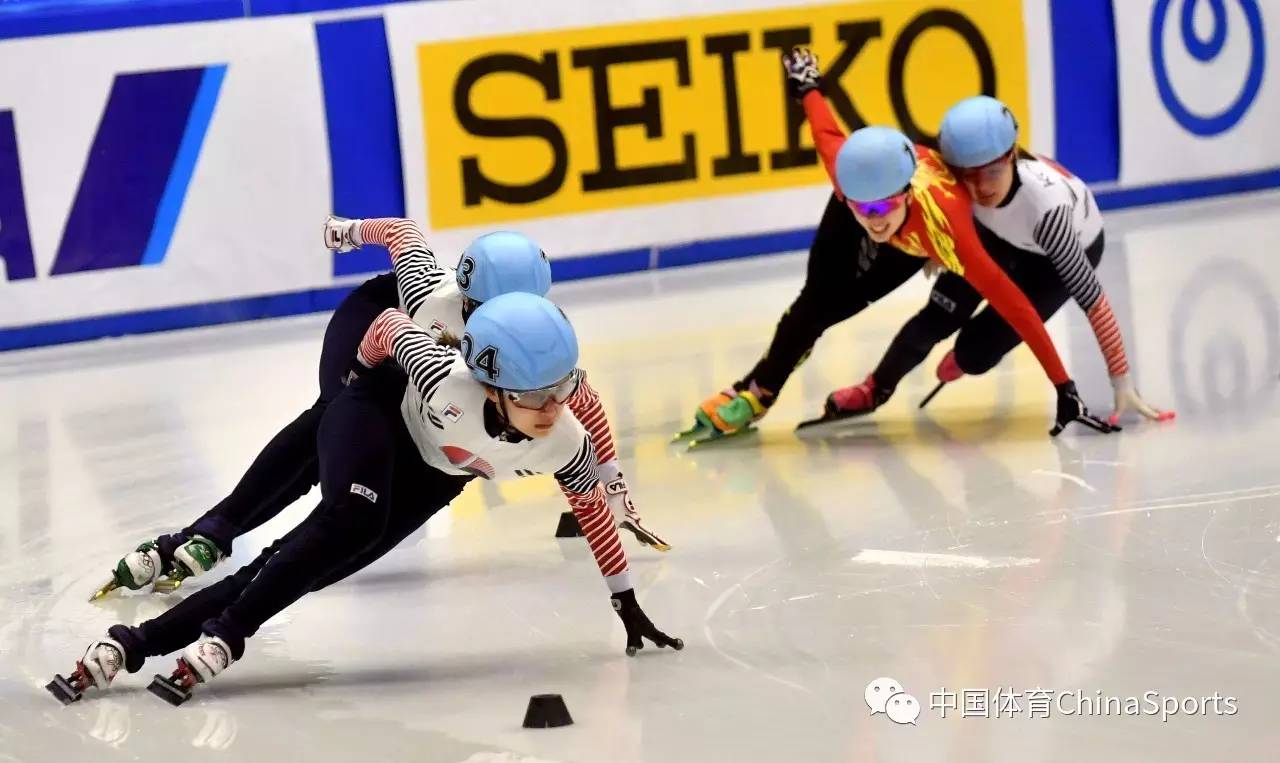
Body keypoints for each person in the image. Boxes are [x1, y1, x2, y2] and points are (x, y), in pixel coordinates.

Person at [49, 292, 682, 706]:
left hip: (435, 476)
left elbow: (594, 511)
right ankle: (231, 633)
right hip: (374, 413)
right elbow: (387, 327)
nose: (553, 407)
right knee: (352, 515)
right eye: (536, 395)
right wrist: (353, 382)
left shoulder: (563, 441)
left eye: (562, 388)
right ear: (491, 385)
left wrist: (625, 602)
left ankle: (136, 643)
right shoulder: (445, 379)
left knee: (303, 561)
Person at [94, 219, 668, 600]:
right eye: (487, 309)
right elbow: (402, 234)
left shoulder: (527, 337)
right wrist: (343, 233)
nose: (510, 320)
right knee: (335, 418)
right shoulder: (429, 299)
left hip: (421, 372)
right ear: (466, 299)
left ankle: (261, 563)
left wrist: (612, 486)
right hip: (376, 327)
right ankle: (214, 530)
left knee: (365, 482)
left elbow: (582, 402)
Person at [685, 48, 1114, 439]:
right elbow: (824, 127)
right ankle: (758, 392)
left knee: (851, 309)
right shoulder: (847, 177)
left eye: (882, 209)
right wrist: (807, 85)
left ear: (906, 193)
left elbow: (1015, 306)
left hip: (919, 234)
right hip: (865, 206)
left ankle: (872, 389)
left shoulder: (949, 229)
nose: (874, 223)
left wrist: (1064, 386)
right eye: (863, 209)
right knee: (814, 303)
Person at [846, 95, 1170, 425]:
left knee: (975, 353)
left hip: (1053, 260)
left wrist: (1122, 381)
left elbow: (1095, 303)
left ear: (1012, 155)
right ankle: (875, 388)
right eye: (967, 175)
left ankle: (964, 359)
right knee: (939, 313)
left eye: (992, 172)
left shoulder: (1048, 212)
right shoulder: (951, 180)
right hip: (998, 236)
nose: (980, 187)